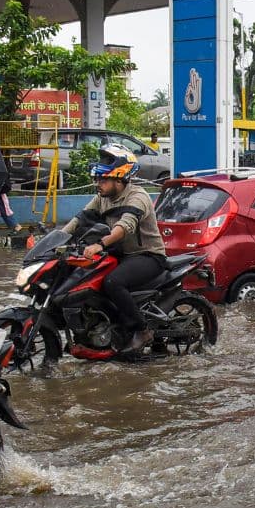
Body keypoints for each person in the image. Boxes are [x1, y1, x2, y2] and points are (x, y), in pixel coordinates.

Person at [60, 144, 168, 353]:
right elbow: (80, 219)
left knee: (112, 282)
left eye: (103, 179)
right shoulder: (102, 198)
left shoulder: (138, 197)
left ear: (119, 179)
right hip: (120, 255)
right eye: (97, 179)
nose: (98, 184)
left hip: (147, 256)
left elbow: (123, 227)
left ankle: (142, 329)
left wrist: (99, 245)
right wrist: (56, 240)